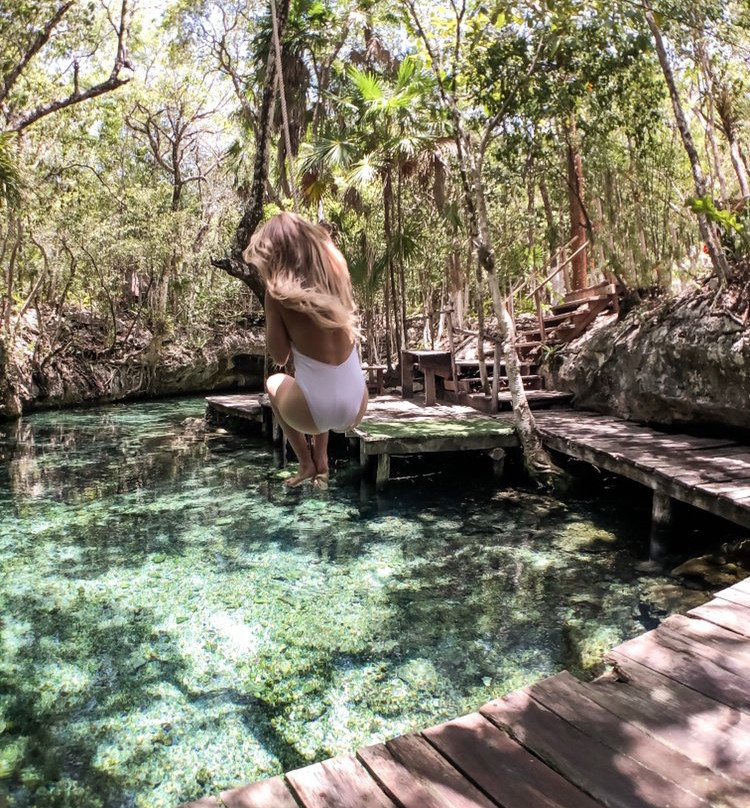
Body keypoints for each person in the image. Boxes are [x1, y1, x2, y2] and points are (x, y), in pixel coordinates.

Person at [243, 212, 368, 489]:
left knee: (274, 382)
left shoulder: (276, 294)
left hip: (313, 413)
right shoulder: (338, 274)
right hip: (356, 406)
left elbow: (279, 357)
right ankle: (322, 461)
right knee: (315, 378)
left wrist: (273, 311)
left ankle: (306, 463)